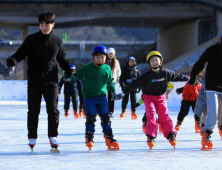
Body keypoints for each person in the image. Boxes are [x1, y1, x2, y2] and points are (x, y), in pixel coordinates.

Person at [6, 11, 72, 151]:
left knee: (53, 110)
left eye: (47, 24)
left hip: (52, 82)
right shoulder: (31, 39)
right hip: (34, 82)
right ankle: (32, 136)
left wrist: (68, 69)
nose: (44, 27)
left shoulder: (58, 42)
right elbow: (20, 53)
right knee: (33, 111)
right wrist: (13, 59)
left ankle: (53, 136)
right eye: (41, 24)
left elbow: (62, 60)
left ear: (53, 24)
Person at [116, 51, 188, 149]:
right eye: (152, 60)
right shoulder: (146, 75)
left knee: (164, 115)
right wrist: (123, 92)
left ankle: (171, 134)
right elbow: (134, 84)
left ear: (160, 61)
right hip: (148, 97)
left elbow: (176, 76)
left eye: (156, 60)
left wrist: (189, 79)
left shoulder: (165, 73)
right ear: (149, 63)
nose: (154, 62)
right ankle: (151, 136)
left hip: (161, 97)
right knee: (151, 115)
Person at [68, 45, 120, 151]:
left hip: (102, 97)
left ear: (106, 58)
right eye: (97, 57)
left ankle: (109, 137)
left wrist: (114, 93)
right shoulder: (86, 67)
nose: (100, 59)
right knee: (91, 117)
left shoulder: (107, 69)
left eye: (102, 57)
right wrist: (69, 78)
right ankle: (89, 137)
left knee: (106, 117)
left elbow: (110, 82)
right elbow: (76, 76)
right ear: (93, 57)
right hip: (89, 97)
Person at [188, 36, 222, 150]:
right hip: (212, 85)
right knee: (213, 110)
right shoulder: (213, 49)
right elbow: (200, 63)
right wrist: (193, 76)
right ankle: (206, 134)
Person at [193, 67, 222, 138]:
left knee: (220, 113)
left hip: (219, 96)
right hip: (207, 101)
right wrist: (197, 116)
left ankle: (221, 128)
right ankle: (204, 130)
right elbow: (199, 103)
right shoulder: (203, 90)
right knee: (207, 114)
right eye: (199, 77)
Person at [105, 48, 121, 117]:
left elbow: (118, 72)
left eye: (112, 54)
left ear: (114, 54)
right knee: (104, 95)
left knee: (112, 96)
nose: (110, 55)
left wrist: (119, 81)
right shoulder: (105, 61)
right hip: (105, 81)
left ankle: (111, 111)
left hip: (112, 81)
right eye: (109, 54)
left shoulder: (116, 62)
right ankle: (104, 110)